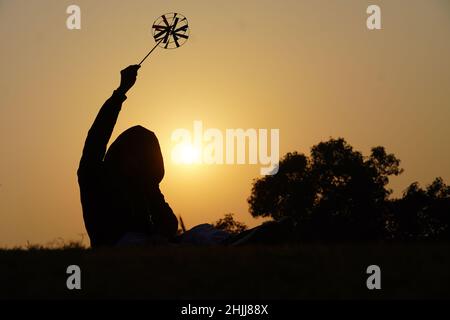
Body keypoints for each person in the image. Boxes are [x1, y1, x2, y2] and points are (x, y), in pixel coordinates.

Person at [77, 65, 178, 247]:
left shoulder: (144, 186)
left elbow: (169, 225)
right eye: (136, 155)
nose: (139, 163)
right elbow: (98, 135)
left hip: (152, 250)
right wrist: (121, 91)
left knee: (203, 232)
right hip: (116, 246)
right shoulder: (94, 175)